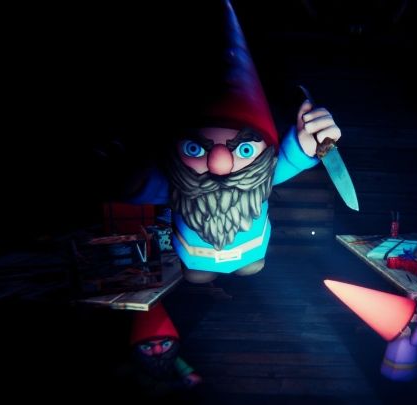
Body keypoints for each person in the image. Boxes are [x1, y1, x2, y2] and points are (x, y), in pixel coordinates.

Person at [124, 0, 342, 284]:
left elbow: (289, 159)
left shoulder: (261, 176)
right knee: (198, 275)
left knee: (250, 267)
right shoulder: (176, 183)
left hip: (251, 255)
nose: (220, 165)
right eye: (194, 148)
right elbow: (137, 184)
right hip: (195, 259)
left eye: (244, 149)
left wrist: (307, 143)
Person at [322, 280, 417, 381]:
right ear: (404, 330)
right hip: (405, 375)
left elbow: (395, 314)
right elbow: (416, 340)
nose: (416, 317)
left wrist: (408, 303)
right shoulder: (404, 334)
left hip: (387, 369)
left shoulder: (392, 329)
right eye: (415, 318)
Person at [123, 303, 202, 397]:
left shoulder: (170, 357)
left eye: (165, 344)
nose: (158, 351)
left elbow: (181, 366)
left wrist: (188, 374)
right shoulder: (138, 364)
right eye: (147, 347)